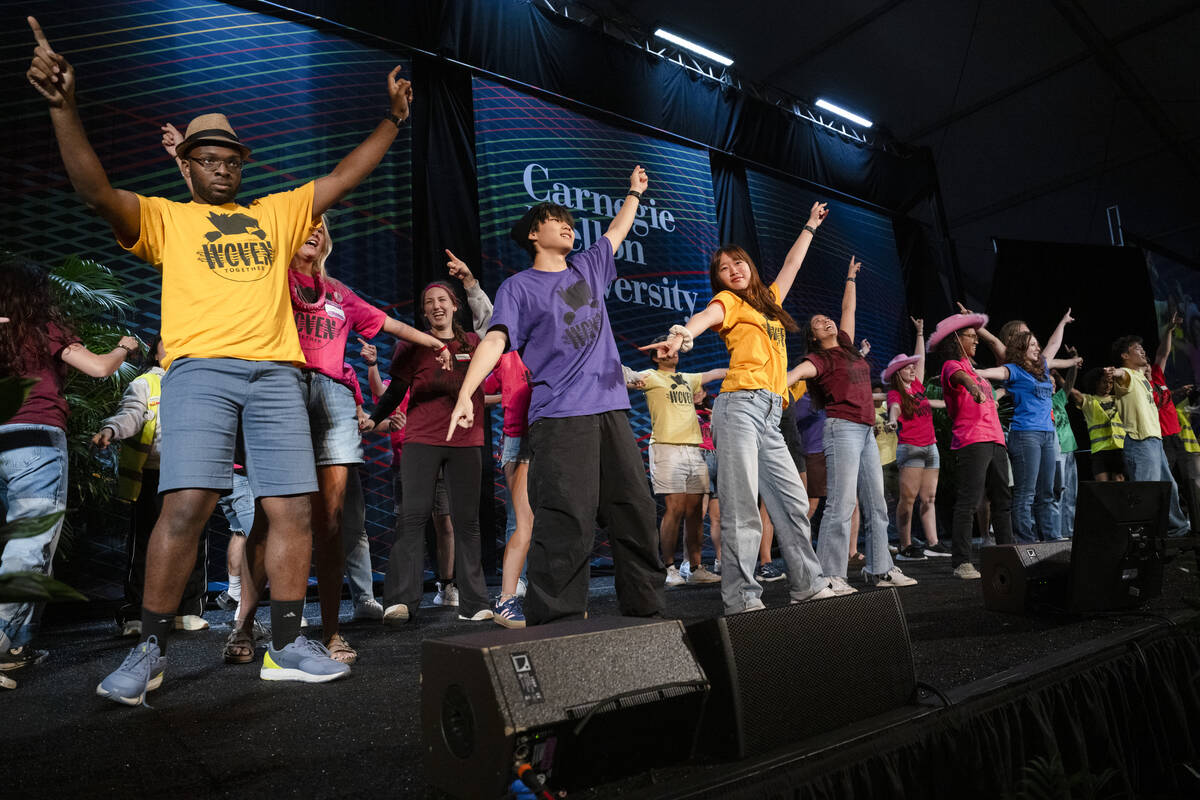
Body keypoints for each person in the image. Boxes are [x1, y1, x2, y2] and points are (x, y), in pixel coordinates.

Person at [27, 16, 413, 702]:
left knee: (292, 509)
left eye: (232, 157)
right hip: (201, 370)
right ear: (189, 165)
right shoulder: (165, 218)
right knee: (186, 506)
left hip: (278, 375)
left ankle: (287, 643)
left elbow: (342, 178)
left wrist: (391, 121)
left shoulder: (276, 213)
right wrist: (64, 108)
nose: (223, 165)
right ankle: (148, 649)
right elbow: (94, 191)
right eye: (209, 157)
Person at [447, 168, 667, 624]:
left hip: (611, 409)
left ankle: (645, 609)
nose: (567, 224)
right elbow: (494, 340)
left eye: (569, 220)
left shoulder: (588, 266)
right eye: (554, 219)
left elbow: (617, 230)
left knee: (636, 510)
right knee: (568, 517)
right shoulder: (519, 287)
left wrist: (633, 192)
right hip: (561, 415)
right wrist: (466, 392)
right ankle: (558, 620)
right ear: (533, 233)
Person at [646, 202, 835, 612]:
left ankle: (808, 583)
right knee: (742, 508)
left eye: (738, 263)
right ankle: (742, 597)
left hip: (770, 413)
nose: (733, 271)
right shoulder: (728, 304)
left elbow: (792, 264)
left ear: (749, 265)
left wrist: (808, 225)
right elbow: (703, 316)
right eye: (724, 268)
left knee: (792, 504)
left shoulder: (769, 301)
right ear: (719, 279)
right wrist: (681, 335)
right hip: (740, 407)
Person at [1, 256, 140, 676]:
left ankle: (16, 649)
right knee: (30, 547)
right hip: (36, 441)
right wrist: (125, 347)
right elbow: (99, 368)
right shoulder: (44, 329)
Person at [367, 282, 493, 624]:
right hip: (422, 438)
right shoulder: (412, 345)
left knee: (467, 521)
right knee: (412, 518)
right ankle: (400, 602)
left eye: (442, 300)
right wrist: (373, 419)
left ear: (454, 306)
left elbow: (496, 329)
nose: (436, 306)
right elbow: (395, 392)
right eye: (429, 303)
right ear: (424, 313)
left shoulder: (476, 343)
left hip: (467, 440)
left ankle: (475, 602)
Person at [788, 257, 915, 593]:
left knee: (876, 503)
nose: (826, 322)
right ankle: (830, 574)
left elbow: (848, 309)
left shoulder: (847, 346)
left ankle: (880, 570)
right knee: (841, 504)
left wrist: (849, 277)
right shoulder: (818, 359)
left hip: (865, 431)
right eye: (818, 323)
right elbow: (795, 375)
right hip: (841, 429)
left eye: (826, 319)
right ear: (813, 338)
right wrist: (777, 380)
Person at [92, 336, 210, 635]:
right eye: (167, 341)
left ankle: (186, 609)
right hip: (154, 474)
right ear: (155, 352)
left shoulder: (202, 382)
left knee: (193, 540)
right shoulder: (146, 383)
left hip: (193, 473)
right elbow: (131, 414)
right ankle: (136, 612)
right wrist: (111, 428)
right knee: (145, 542)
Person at [970, 311, 1081, 543]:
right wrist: (972, 373)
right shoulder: (1014, 370)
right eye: (1031, 344)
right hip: (1025, 435)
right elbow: (993, 372)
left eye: (1036, 344)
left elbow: (1053, 343)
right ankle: (1026, 541)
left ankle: (1050, 540)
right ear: (1021, 348)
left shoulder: (1042, 367)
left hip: (1048, 435)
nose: (1037, 347)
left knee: (1047, 493)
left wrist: (1062, 322)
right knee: (1026, 493)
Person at [628, 343, 727, 588]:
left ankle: (695, 568)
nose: (670, 352)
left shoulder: (688, 378)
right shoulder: (651, 377)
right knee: (675, 509)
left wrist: (745, 369)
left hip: (694, 450)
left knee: (695, 511)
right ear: (654, 356)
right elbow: (626, 378)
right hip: (666, 447)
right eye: (663, 350)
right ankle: (669, 567)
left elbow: (717, 372)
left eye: (672, 349)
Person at [928, 312, 1015, 579]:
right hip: (972, 440)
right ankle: (962, 562)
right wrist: (973, 388)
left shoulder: (977, 372)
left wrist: (997, 393)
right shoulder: (952, 366)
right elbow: (960, 380)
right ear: (957, 340)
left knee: (1002, 500)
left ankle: (1007, 554)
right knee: (968, 501)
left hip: (996, 439)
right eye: (971, 336)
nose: (976, 340)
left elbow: (990, 385)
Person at [883, 317, 950, 561]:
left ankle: (932, 542)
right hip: (911, 449)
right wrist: (891, 419)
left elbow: (920, 357)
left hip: (930, 446)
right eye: (908, 367)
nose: (913, 368)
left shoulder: (919, 387)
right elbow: (895, 409)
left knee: (929, 497)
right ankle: (905, 545)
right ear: (898, 373)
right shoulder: (895, 393)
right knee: (908, 499)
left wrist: (920, 332)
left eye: (913, 366)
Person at [1109, 336, 1190, 536]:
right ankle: (1141, 533)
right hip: (1140, 443)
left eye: (1143, 347)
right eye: (1137, 348)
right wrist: (1113, 371)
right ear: (1125, 356)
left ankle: (1177, 528)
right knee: (1147, 491)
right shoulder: (1126, 374)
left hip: (1154, 442)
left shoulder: (1143, 379)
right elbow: (1120, 373)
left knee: (1168, 487)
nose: (1143, 351)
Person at [484, 350, 534, 626]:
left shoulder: (550, 349)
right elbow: (479, 393)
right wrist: (504, 398)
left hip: (550, 438)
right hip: (518, 441)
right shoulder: (507, 358)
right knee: (520, 521)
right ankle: (511, 592)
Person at [1069, 368, 1126, 481]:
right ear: (1096, 382)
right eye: (1104, 382)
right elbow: (1072, 391)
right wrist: (1059, 377)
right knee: (1101, 485)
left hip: (1119, 448)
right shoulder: (1089, 400)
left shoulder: (1119, 399)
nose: (1108, 385)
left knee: (1119, 484)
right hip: (1100, 450)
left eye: (1110, 382)